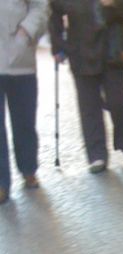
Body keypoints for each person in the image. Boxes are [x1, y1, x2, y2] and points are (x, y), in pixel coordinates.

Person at [49, 0, 123, 174]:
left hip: (112, 51)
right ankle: (97, 154)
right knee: (89, 105)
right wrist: (58, 47)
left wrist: (113, 3)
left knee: (117, 100)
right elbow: (55, 15)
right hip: (80, 51)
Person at [0, 0, 48, 204]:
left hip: (20, 59)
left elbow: (41, 6)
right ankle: (1, 182)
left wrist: (25, 32)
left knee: (24, 121)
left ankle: (28, 167)